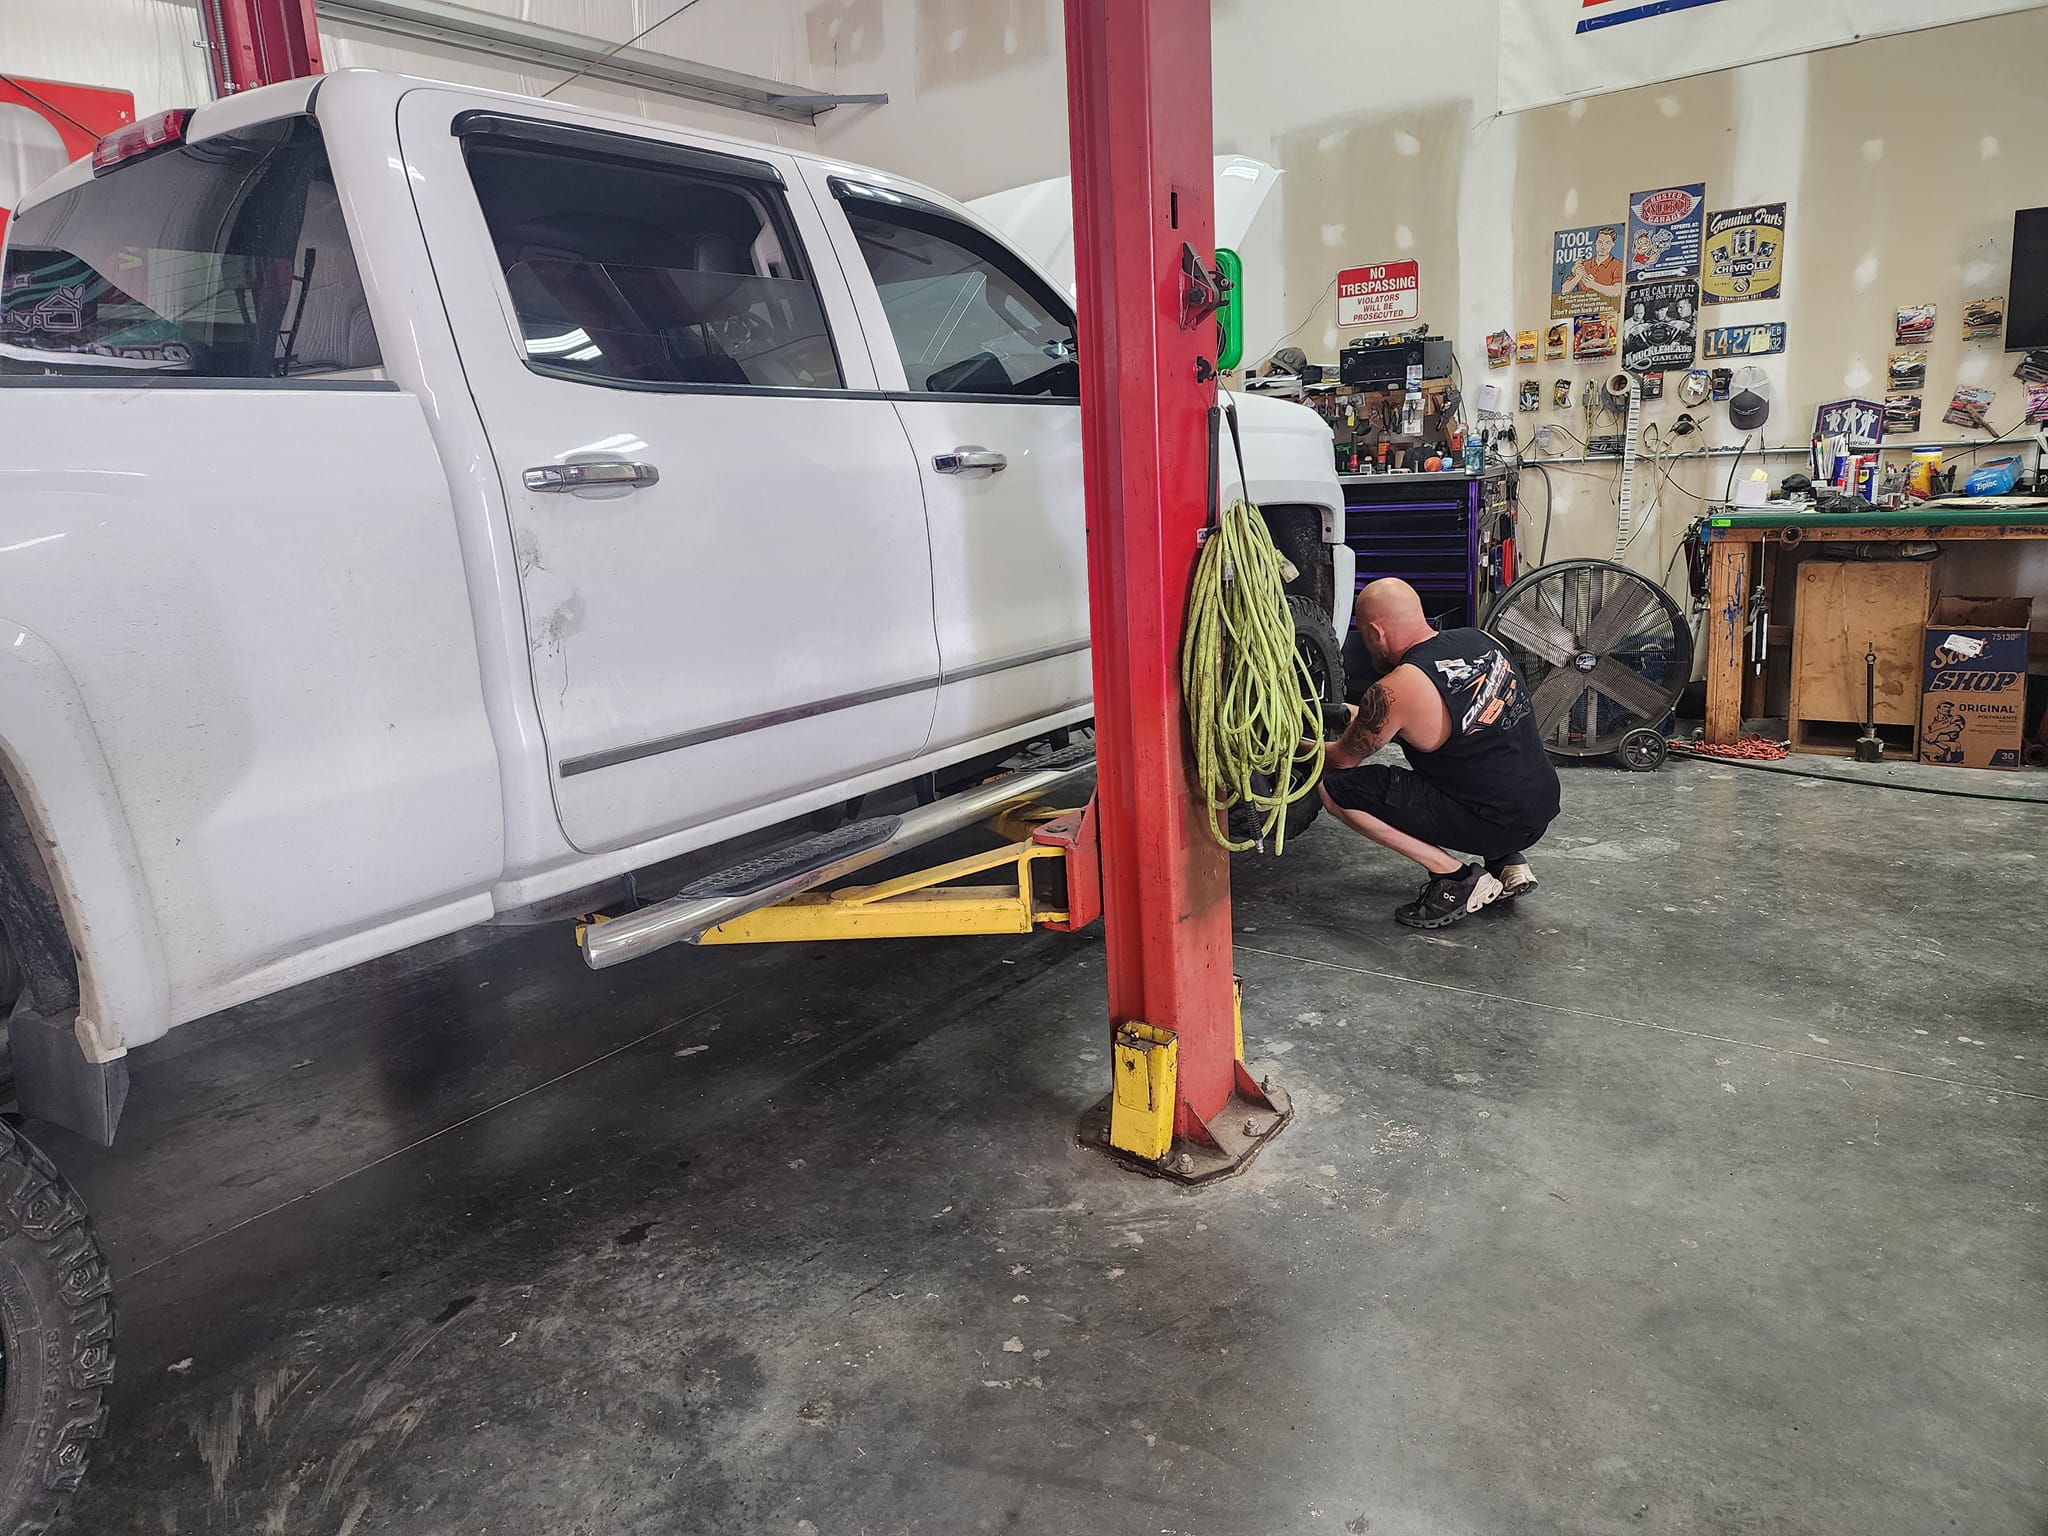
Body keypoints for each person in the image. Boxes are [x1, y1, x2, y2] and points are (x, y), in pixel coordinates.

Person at [1319, 580, 1562, 930]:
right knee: (1477, 750)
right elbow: (1452, 725)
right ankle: (1506, 860)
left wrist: (1288, 744)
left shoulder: (1394, 689)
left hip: (1494, 822)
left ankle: (1456, 877)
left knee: (1334, 787)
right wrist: (1358, 717)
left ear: (1375, 632)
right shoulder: (1481, 640)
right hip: (1539, 808)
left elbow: (1343, 759)